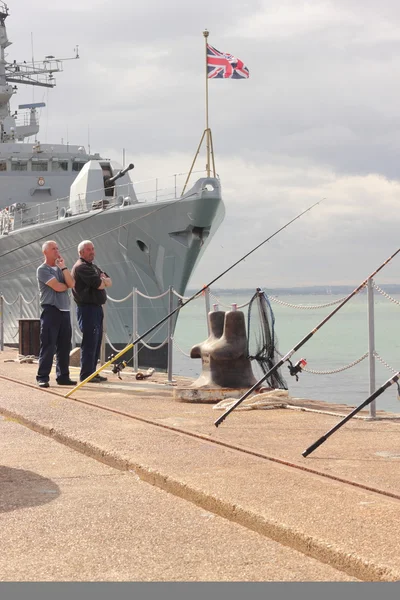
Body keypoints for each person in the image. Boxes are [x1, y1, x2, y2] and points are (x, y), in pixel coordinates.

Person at [36, 240, 76, 388]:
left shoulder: (60, 269)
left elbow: (71, 284)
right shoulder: (42, 269)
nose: (57, 251)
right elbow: (58, 287)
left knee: (64, 346)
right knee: (48, 345)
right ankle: (43, 377)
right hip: (51, 310)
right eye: (53, 249)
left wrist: (64, 267)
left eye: (57, 248)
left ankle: (63, 376)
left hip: (65, 311)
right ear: (45, 252)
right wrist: (66, 285)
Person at [71, 240, 112, 382]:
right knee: (89, 341)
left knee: (96, 341)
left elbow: (108, 280)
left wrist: (104, 281)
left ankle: (92, 372)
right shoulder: (81, 267)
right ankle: (86, 374)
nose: (92, 252)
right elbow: (99, 283)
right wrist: (103, 282)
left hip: (96, 308)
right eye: (88, 249)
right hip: (87, 309)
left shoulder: (92, 267)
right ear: (81, 252)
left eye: (93, 249)